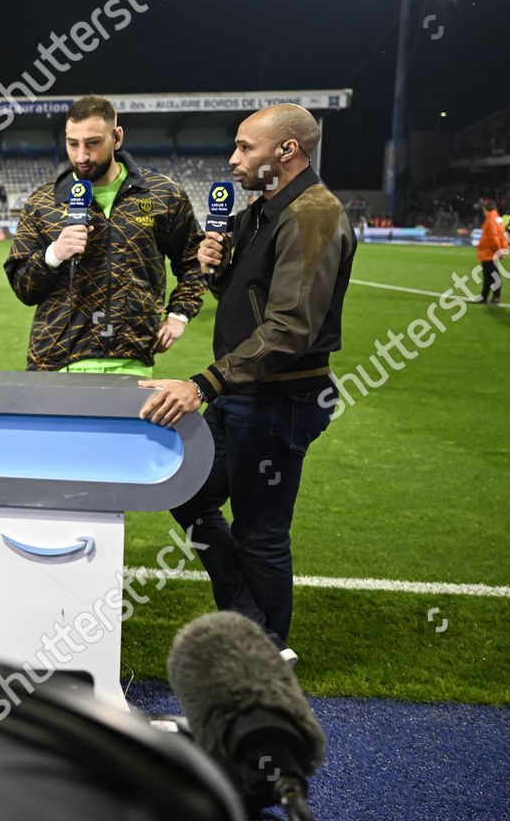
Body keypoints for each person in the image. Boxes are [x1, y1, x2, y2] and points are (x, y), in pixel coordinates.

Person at [137, 103, 356, 666]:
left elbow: (289, 328)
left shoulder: (313, 212)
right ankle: (252, 623)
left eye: (245, 148)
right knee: (184, 490)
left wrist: (204, 384)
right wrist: (219, 273)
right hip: (243, 392)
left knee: (260, 529)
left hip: (282, 396)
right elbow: (251, 302)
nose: (233, 160)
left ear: (287, 150)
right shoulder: (261, 210)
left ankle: (262, 651)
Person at [6, 94, 206, 376]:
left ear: (117, 137)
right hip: (54, 362)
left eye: (93, 143)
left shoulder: (163, 194)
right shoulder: (42, 203)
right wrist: (54, 255)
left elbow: (194, 260)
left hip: (131, 361)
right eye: (72, 144)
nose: (82, 156)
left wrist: (179, 315)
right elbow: (23, 288)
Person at [476, 197, 510, 304]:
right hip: (491, 252)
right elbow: (503, 235)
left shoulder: (491, 220)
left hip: (489, 252)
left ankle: (495, 297)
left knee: (491, 276)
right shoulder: (498, 218)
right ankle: (485, 297)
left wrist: (499, 250)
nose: (483, 212)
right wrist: (504, 248)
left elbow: (494, 237)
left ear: (486, 209)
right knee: (491, 276)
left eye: (483, 210)